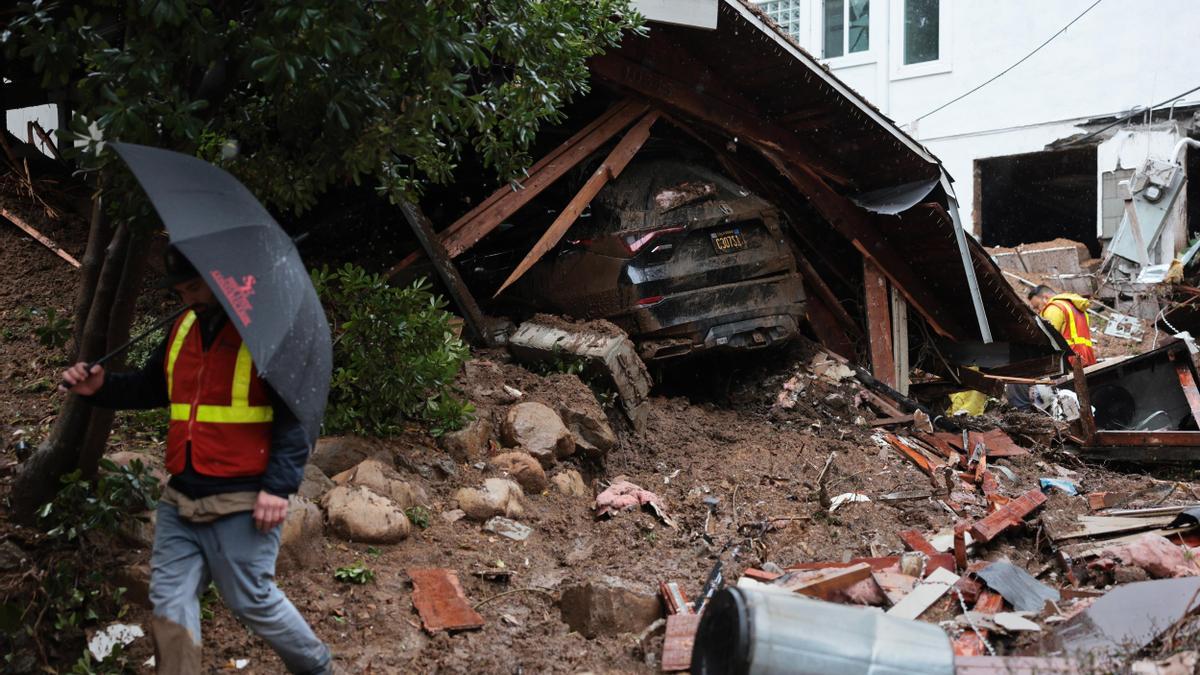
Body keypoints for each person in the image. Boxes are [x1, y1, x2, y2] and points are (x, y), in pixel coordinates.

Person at [60, 247, 332, 675]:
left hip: (243, 497)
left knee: (251, 599)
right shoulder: (182, 328)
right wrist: (102, 386)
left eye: (195, 286)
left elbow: (295, 418)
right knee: (169, 602)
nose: (188, 298)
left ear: (222, 279)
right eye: (181, 290)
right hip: (180, 497)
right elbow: (152, 388)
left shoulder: (264, 335)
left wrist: (278, 488)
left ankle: (316, 667)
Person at [1027, 284, 1097, 367]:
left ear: (1045, 298)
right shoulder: (1077, 308)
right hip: (1087, 357)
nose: (1038, 311)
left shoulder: (1053, 308)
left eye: (1037, 306)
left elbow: (1048, 340)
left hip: (1070, 361)